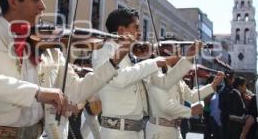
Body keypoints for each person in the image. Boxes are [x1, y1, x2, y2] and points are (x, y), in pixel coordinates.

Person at [0, 0, 132, 139]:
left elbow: (77, 90)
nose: (43, 6)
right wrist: (37, 92)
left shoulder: (49, 48)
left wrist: (115, 60)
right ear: (13, 1)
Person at [92, 8, 199, 139]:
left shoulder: (133, 56)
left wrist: (187, 59)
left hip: (137, 132)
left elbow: (163, 83)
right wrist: (153, 62)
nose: (140, 33)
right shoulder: (104, 51)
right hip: (116, 133)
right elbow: (120, 79)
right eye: (136, 27)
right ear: (121, 30)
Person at [146, 69, 224, 139]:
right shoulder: (157, 75)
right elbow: (166, 106)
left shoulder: (178, 79)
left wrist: (213, 84)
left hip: (175, 130)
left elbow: (192, 96)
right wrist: (190, 111)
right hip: (160, 131)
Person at [219, 72, 235, 139]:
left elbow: (220, 106)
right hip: (228, 118)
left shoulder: (224, 89)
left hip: (225, 117)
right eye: (233, 78)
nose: (234, 80)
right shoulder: (228, 91)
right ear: (229, 79)